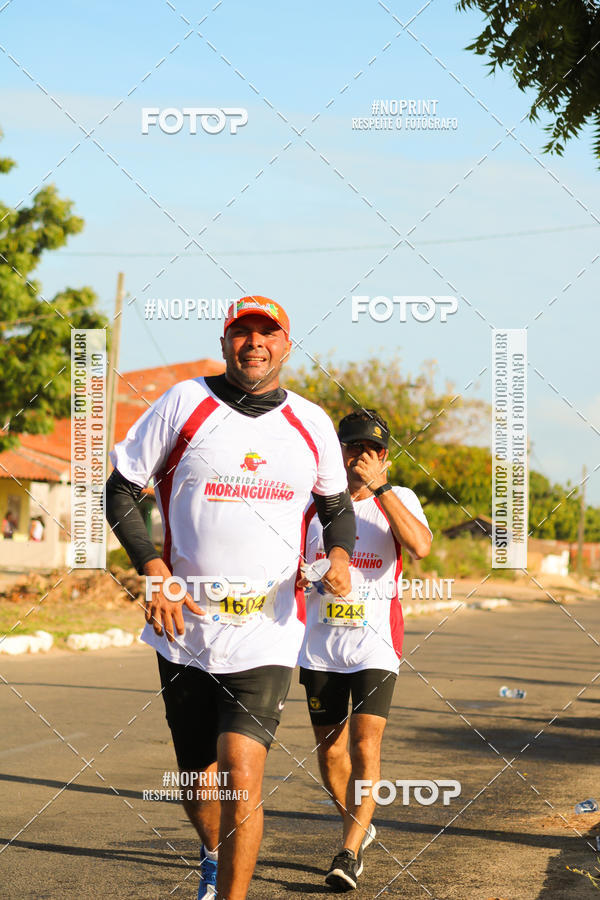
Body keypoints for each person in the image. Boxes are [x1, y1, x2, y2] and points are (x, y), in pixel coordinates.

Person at [105, 295, 355, 900]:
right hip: (184, 628)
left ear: (286, 346)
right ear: (224, 343)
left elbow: (337, 508)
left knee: (242, 775)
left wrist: (340, 558)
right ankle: (213, 855)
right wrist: (155, 569)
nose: (254, 344)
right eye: (241, 333)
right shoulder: (184, 404)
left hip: (267, 630)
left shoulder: (312, 422)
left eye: (267, 334)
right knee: (197, 785)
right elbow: (118, 490)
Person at [298, 409, 432, 892]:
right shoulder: (312, 506)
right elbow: (285, 561)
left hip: (375, 647)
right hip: (319, 648)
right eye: (351, 448)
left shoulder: (400, 499)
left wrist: (380, 490)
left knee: (364, 744)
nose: (360, 457)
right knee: (331, 754)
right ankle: (360, 823)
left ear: (384, 457)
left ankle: (348, 851)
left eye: (371, 450)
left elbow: (419, 546)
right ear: (337, 452)